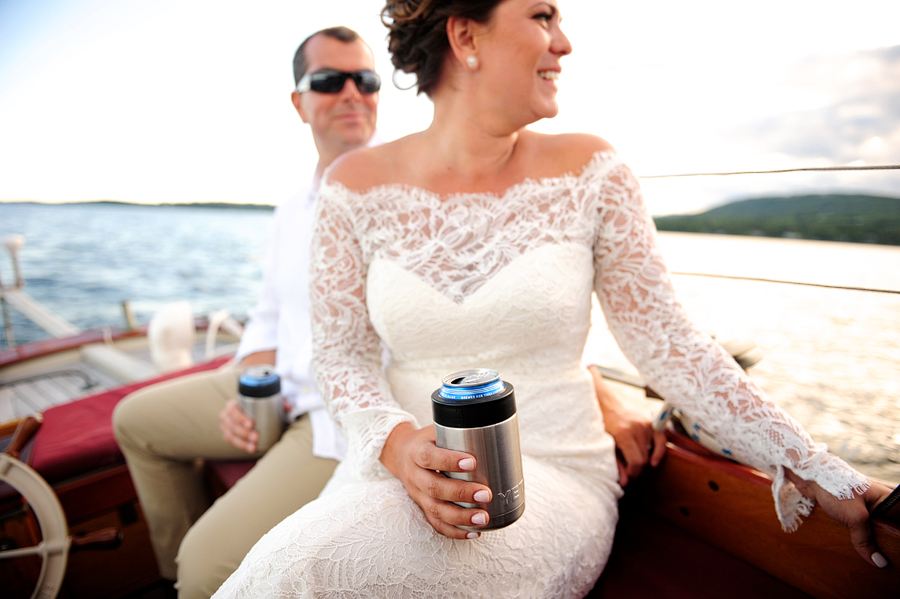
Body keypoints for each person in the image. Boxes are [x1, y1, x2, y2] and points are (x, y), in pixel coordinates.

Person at [214, 1, 892, 596]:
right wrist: (397, 449)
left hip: (553, 476)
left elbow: (672, 345)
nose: (563, 42)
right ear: (465, 38)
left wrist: (811, 463)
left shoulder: (593, 169)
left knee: (306, 571)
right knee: (295, 563)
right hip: (391, 473)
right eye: (542, 15)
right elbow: (342, 359)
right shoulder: (354, 183)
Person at [112, 26, 382, 598]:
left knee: (207, 564)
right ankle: (169, 576)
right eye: (330, 81)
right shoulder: (290, 209)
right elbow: (267, 315)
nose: (352, 93)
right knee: (134, 422)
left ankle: (193, 580)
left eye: (366, 79)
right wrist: (248, 387)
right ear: (298, 103)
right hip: (277, 390)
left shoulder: (405, 194)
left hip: (336, 418)